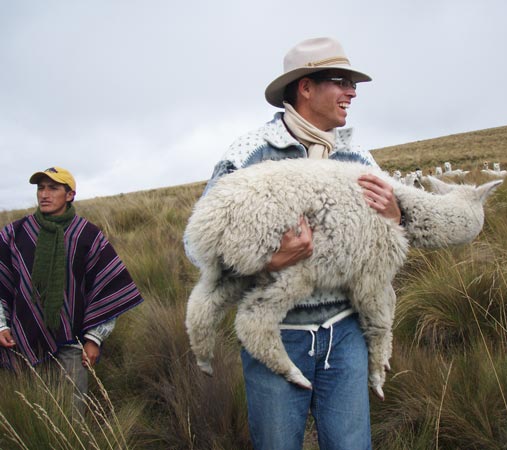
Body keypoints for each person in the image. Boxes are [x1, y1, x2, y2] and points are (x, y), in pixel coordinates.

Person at [195, 37, 402, 450]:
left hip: (345, 335)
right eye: (341, 81)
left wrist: (394, 220)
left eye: (352, 83)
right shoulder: (248, 155)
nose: (353, 92)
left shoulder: (358, 157)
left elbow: (385, 240)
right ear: (305, 87)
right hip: (279, 332)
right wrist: (267, 261)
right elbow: (197, 244)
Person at [0, 166, 144, 413]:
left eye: (53, 188)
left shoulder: (86, 235)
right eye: (40, 188)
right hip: (22, 341)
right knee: (31, 411)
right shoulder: (14, 234)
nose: (44, 194)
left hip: (72, 341)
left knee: (73, 414)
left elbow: (106, 288)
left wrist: (95, 338)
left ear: (70, 195)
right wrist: (1, 325)